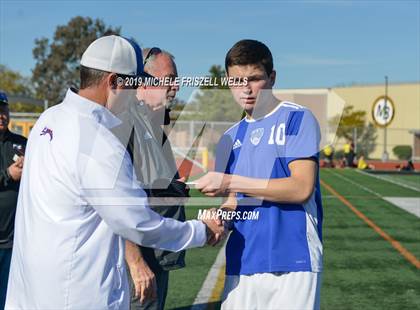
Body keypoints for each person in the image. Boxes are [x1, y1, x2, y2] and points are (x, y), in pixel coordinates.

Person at [5, 35, 224, 309]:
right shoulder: (98, 138)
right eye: (134, 84)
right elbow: (135, 222)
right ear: (113, 82)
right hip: (78, 294)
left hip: (33, 292)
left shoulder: (48, 120)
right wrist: (200, 231)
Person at [196, 39, 323, 309]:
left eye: (254, 79)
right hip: (243, 261)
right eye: (236, 81)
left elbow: (301, 188)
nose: (246, 89)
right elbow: (234, 200)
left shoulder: (298, 118)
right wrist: (220, 220)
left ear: (272, 77)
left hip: (293, 260)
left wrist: (230, 181)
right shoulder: (229, 137)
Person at [113, 47, 187, 310]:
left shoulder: (154, 125)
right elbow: (113, 201)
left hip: (156, 257)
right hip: (138, 265)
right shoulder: (124, 123)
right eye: (169, 79)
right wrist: (135, 261)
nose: (176, 86)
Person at [0, 92, 27, 309]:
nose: (1, 115)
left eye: (3, 109)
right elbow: (8, 175)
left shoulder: (21, 143)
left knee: (11, 300)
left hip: (16, 241)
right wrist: (8, 174)